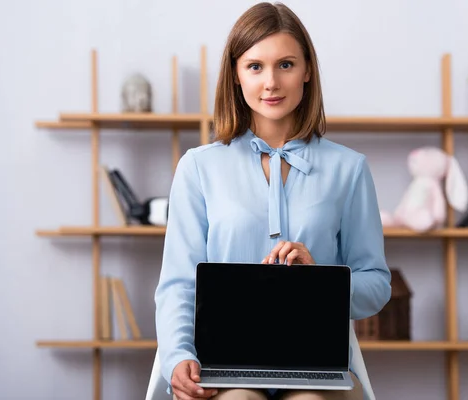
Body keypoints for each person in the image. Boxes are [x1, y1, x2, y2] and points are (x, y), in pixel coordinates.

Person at [155, 2, 392, 400]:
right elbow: (178, 284)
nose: (271, 83)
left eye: (285, 64)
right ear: (235, 74)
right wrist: (179, 357)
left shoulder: (348, 169)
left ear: (307, 71)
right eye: (255, 66)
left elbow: (377, 284)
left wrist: (321, 284)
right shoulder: (199, 167)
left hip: (318, 367)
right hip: (223, 366)